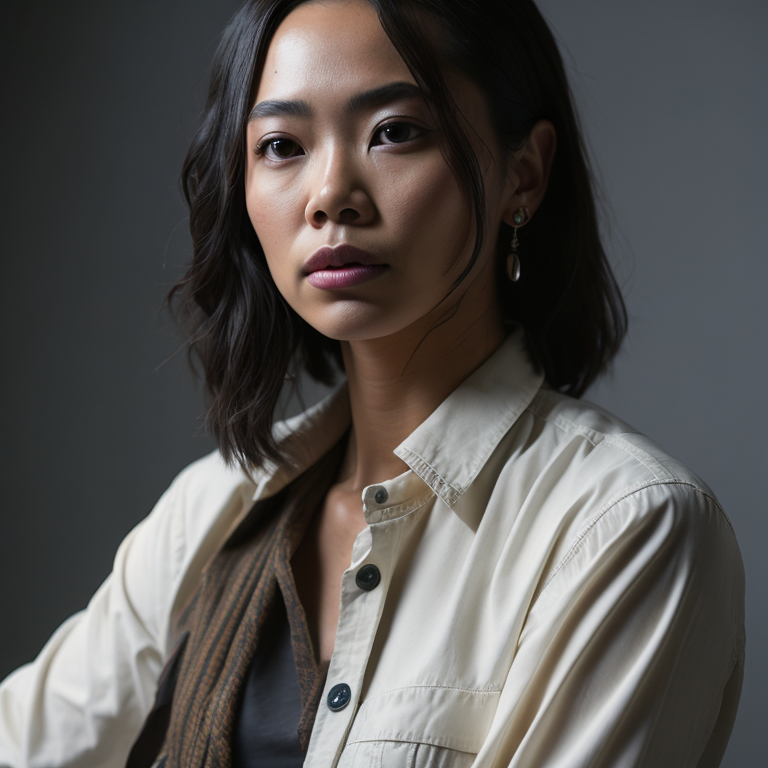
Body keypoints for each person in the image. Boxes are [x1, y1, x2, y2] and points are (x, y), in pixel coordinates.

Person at [0, 0, 745, 766]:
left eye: (395, 132)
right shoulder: (214, 510)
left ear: (524, 173)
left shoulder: (625, 528)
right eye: (282, 145)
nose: (330, 194)